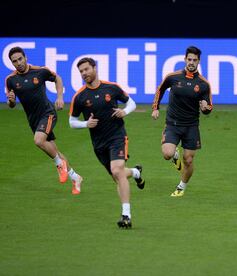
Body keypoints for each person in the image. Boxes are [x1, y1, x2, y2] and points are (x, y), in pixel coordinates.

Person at [69, 57, 145, 228]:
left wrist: (124, 112)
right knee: (118, 176)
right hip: (99, 144)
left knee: (117, 171)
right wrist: (85, 124)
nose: (84, 73)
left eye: (87, 69)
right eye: (81, 71)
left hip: (117, 136)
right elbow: (71, 121)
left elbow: (131, 102)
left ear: (94, 68)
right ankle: (135, 172)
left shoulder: (111, 87)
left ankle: (126, 215)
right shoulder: (80, 97)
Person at [5, 46, 83, 195]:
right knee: (54, 150)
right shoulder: (11, 80)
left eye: (20, 59)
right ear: (12, 63)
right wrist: (11, 101)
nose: (18, 63)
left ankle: (59, 165)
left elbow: (57, 78)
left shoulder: (40, 71)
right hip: (33, 120)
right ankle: (75, 177)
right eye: (14, 61)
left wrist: (60, 97)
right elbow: (11, 104)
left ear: (25, 57)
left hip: (47, 114)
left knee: (39, 140)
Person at [151, 46, 213, 197]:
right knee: (167, 154)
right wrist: (155, 107)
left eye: (195, 60)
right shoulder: (173, 77)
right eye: (189, 59)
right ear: (185, 59)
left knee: (189, 161)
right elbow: (160, 89)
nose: (192, 62)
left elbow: (208, 107)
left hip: (191, 126)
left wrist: (206, 108)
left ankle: (181, 187)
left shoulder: (204, 84)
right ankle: (174, 156)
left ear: (199, 61)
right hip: (172, 124)